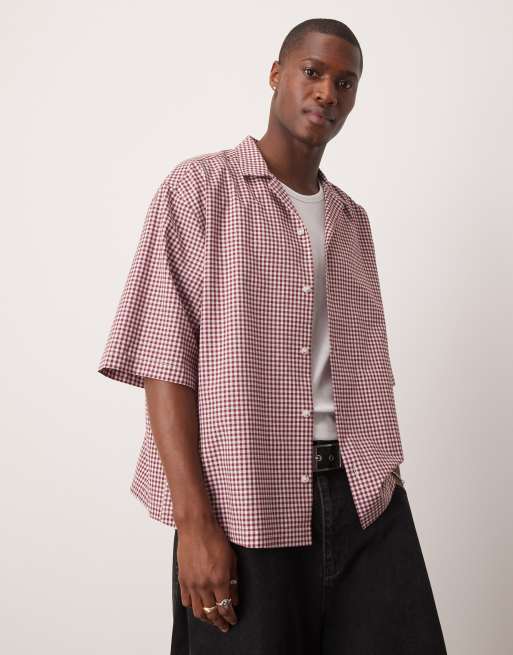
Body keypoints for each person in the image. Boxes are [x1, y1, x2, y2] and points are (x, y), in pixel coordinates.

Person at [98, 17, 448, 655]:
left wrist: (385, 472)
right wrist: (195, 524)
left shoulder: (351, 222)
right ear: (276, 75)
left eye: (345, 82)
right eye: (313, 72)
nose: (327, 93)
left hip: (363, 495)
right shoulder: (198, 191)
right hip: (247, 500)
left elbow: (359, 367)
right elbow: (162, 358)